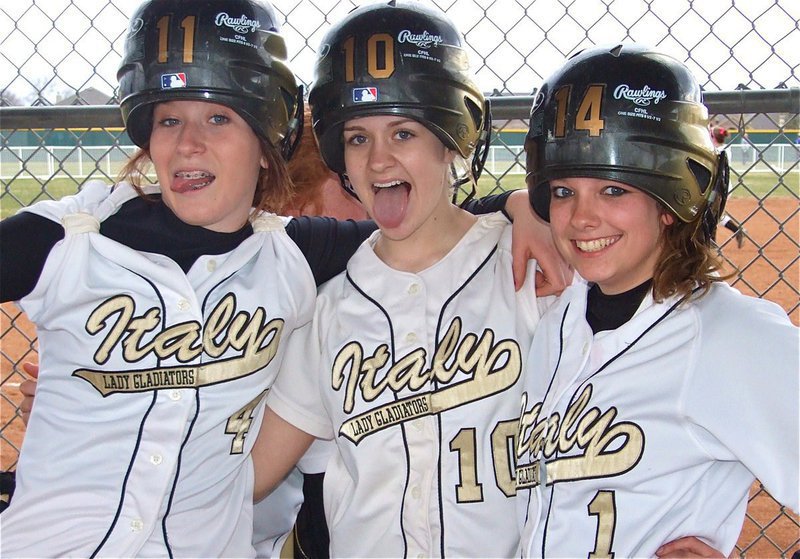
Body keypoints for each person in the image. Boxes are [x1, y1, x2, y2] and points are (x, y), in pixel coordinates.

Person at [0, 1, 567, 555]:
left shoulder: (297, 253)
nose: (188, 142)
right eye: (168, 119)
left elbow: (434, 230)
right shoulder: (70, 238)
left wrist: (523, 205)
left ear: (266, 138)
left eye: (218, 117)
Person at [516, 43, 799, 558]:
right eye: (563, 191)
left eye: (613, 190)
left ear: (671, 202)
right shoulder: (561, 322)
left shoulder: (726, 335)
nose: (581, 218)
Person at [709, 124, 746, 248]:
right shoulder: (725, 148)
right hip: (722, 186)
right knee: (716, 214)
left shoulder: (717, 151)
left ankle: (712, 243)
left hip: (720, 187)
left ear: (713, 137)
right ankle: (737, 231)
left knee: (713, 213)